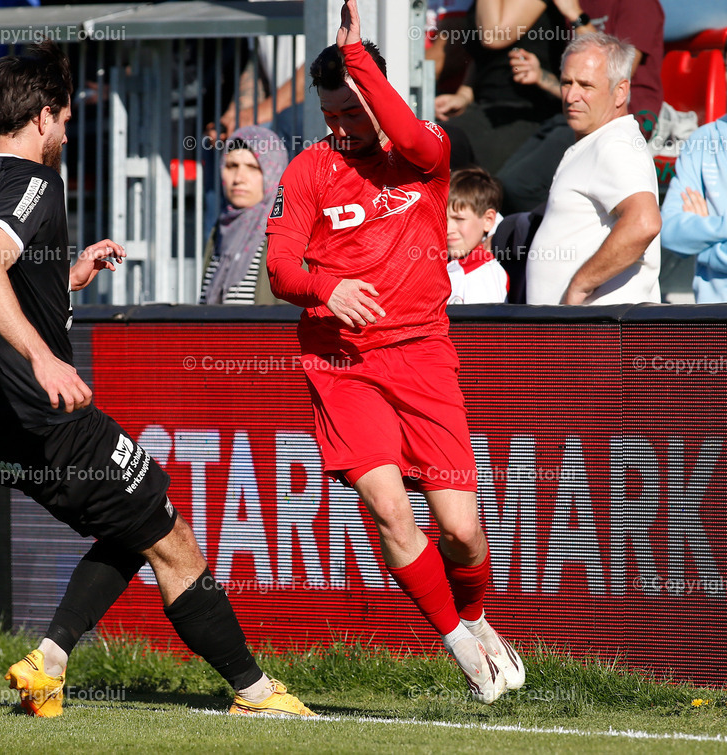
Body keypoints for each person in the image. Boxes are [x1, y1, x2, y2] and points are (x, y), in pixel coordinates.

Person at [0, 41, 313, 719]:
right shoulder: (32, 182)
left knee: (138, 516)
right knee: (171, 535)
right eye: (68, 119)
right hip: (41, 409)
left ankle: (48, 661)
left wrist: (64, 277)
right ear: (45, 117)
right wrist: (44, 357)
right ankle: (256, 691)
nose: (68, 133)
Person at [266, 0, 524, 704]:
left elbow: (406, 128)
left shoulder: (424, 154)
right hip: (344, 365)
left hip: (422, 357)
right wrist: (327, 287)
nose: (340, 128)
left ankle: (476, 619)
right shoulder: (309, 171)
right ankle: (460, 646)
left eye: (352, 112)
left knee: (463, 530)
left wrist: (358, 64)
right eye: (330, 114)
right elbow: (281, 268)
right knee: (387, 508)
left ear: (378, 97)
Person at [526, 33, 662, 305]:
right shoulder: (598, 141)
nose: (572, 95)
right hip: (578, 335)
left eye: (586, 85)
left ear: (621, 91)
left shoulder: (614, 143)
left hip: (598, 337)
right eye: (567, 82)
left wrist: (579, 285)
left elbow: (643, 222)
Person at [496, 0, 665, 214]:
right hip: (575, 119)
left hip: (620, 120)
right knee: (501, 185)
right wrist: (542, 77)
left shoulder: (637, 4)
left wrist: (575, 14)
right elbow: (581, 89)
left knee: (519, 187)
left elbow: (618, 75)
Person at [434, 0, 568, 174]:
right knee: (435, 142)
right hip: (485, 109)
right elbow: (482, 56)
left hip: (524, 111)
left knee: (450, 150)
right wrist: (464, 95)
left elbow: (493, 36)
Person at [199, 126, 289, 305]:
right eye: (231, 166)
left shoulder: (285, 233)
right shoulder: (221, 231)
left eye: (252, 167)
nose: (239, 178)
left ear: (273, 171)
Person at [660, 115, 727, 302]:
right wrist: (721, 227)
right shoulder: (702, 139)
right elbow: (668, 232)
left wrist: (703, 248)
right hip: (711, 320)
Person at [446, 167, 508, 304]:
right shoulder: (438, 263)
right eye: (443, 219)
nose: (448, 229)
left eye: (459, 219)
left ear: (488, 220)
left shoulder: (485, 276)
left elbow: (489, 325)